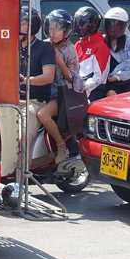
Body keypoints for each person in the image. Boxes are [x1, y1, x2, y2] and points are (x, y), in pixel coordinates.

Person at [19, 8, 65, 163]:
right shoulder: (13, 47)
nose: (18, 25)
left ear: (32, 26)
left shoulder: (44, 48)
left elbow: (48, 77)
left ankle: (21, 178)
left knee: (22, 135)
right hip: (12, 101)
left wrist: (26, 80)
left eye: (23, 22)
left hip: (35, 102)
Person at [38, 9, 78, 168]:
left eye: (57, 28)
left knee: (43, 115)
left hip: (61, 95)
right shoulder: (45, 45)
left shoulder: (70, 49)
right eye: (50, 27)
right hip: (43, 92)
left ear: (66, 31)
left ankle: (61, 146)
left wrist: (59, 60)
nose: (52, 32)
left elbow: (73, 78)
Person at [101, 6, 130, 96]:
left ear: (124, 26)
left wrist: (117, 76)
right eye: (111, 23)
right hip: (109, 82)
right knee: (111, 95)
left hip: (129, 79)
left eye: (118, 25)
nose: (113, 27)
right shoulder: (102, 41)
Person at [73, 6, 111, 97]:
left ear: (92, 25)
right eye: (77, 22)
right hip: (76, 88)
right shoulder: (78, 44)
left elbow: (98, 78)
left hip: (93, 90)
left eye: (81, 23)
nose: (79, 26)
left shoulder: (101, 46)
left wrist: (82, 87)